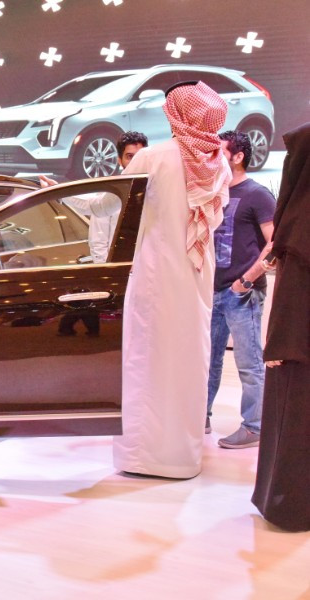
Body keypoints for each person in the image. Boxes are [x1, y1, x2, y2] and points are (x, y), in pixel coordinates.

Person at [112, 81, 232, 479]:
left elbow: (117, 207)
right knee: (187, 359)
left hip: (155, 272)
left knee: (147, 359)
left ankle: (144, 458)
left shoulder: (153, 157)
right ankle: (183, 456)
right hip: (196, 273)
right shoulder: (219, 163)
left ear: (177, 114)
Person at [251, 122, 310, 532]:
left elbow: (293, 297)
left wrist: (277, 346)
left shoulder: (300, 225)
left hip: (298, 350)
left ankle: (288, 507)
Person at [206, 131, 276, 447]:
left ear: (238, 157)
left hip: (242, 293)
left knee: (249, 364)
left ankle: (255, 427)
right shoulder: (214, 193)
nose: (213, 159)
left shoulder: (257, 195)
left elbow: (274, 243)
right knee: (208, 361)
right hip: (213, 290)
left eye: (220, 153)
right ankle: (200, 416)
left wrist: (247, 279)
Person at [39, 131, 147, 263]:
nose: (135, 162)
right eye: (130, 156)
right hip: (122, 269)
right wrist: (57, 191)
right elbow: (98, 241)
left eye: (139, 157)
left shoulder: (158, 188)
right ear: (120, 160)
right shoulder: (114, 192)